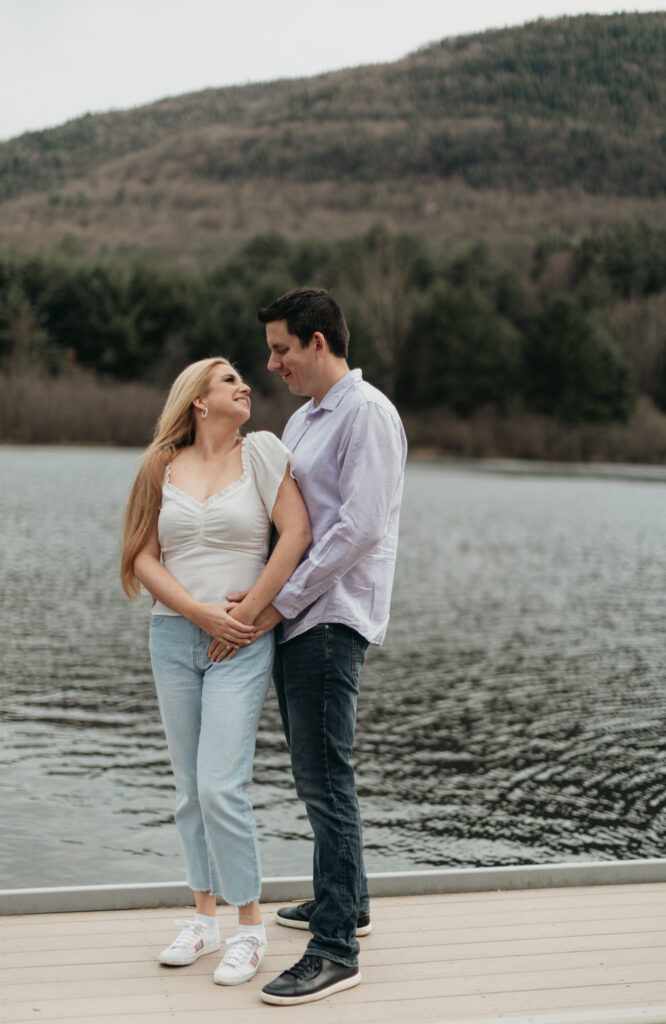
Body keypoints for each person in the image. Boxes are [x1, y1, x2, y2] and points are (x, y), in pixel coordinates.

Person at [212, 288, 407, 1005]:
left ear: (318, 342)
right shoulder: (301, 420)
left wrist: (278, 604)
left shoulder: (368, 414)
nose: (273, 363)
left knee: (325, 778)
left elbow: (358, 531)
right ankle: (346, 903)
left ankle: (335, 949)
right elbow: (280, 520)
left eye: (282, 348)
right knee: (315, 775)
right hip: (297, 619)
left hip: (330, 618)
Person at [120, 357, 311, 987]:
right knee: (187, 788)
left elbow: (296, 533)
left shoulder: (261, 452)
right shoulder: (160, 465)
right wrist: (199, 613)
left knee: (220, 785)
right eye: (228, 379)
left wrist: (249, 612)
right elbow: (143, 558)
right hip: (174, 636)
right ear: (199, 400)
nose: (244, 385)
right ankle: (203, 919)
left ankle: (249, 929)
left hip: (242, 640)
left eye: (243, 380)